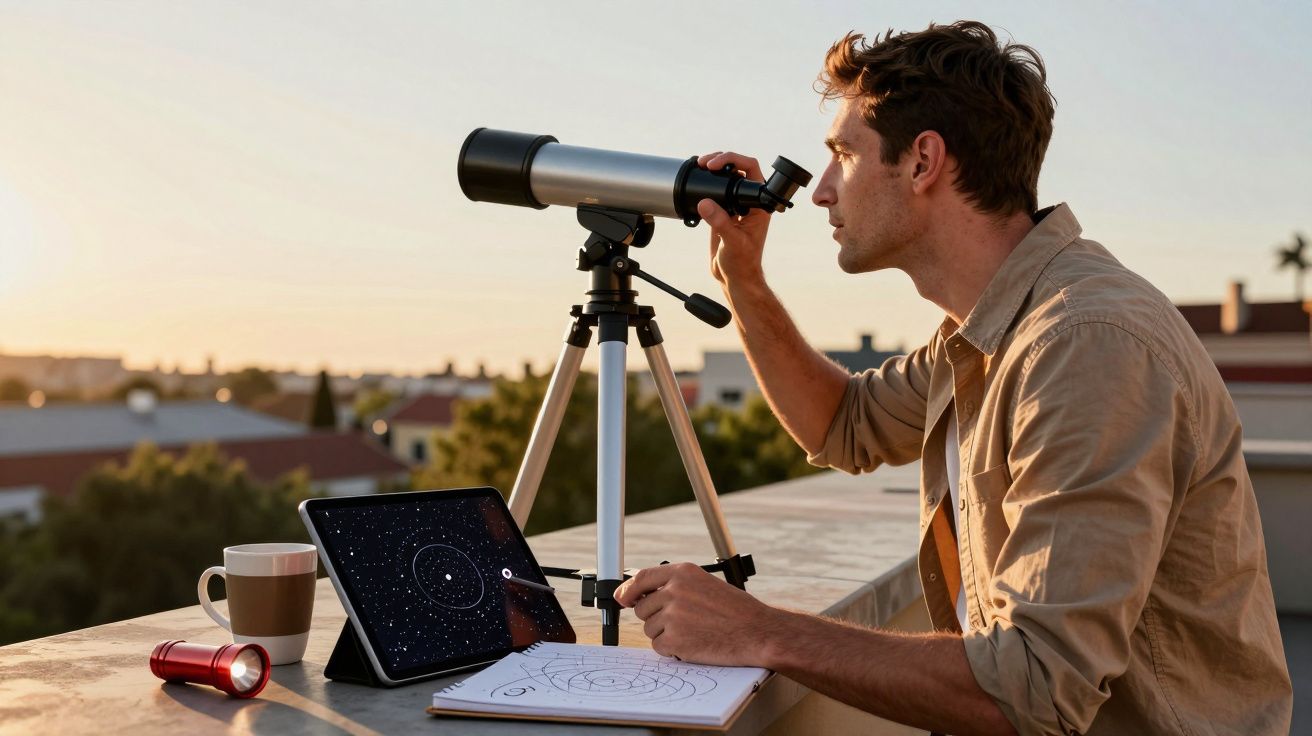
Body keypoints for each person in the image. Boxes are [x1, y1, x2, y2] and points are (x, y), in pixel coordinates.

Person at [612, 20, 1292, 736]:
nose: (822, 192)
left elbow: (1034, 685)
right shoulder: (994, 328)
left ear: (923, 161)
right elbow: (845, 425)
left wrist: (760, 632)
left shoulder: (1084, 344)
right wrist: (744, 281)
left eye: (845, 154)